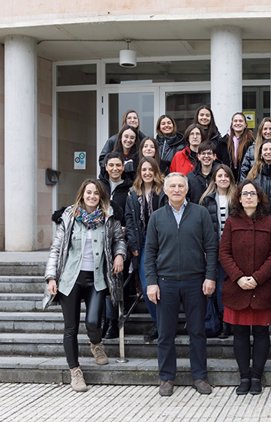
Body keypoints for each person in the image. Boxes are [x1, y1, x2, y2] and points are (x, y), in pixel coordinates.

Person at [44, 179, 126, 392]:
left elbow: (119, 239)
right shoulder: (69, 217)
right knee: (70, 327)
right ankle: (75, 372)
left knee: (92, 321)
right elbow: (56, 248)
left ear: (101, 196)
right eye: (88, 192)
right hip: (70, 280)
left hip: (96, 279)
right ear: (82, 194)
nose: (92, 196)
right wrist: (52, 277)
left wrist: (119, 254)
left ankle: (96, 344)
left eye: (96, 193)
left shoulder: (108, 217)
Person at [144, 172, 217, 397]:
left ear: (186, 189)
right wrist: (151, 282)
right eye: (172, 186)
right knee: (165, 333)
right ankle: (166, 377)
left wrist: (210, 276)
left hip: (195, 281)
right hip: (166, 283)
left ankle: (200, 376)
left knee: (197, 331)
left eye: (180, 186)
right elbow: (150, 252)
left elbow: (212, 248)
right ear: (165, 190)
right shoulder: (156, 217)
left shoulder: (201, 213)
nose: (176, 189)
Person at [219, 180, 271, 396]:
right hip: (237, 288)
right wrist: (238, 277)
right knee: (240, 334)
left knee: (262, 333)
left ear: (259, 197)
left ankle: (257, 376)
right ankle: (244, 376)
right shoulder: (232, 222)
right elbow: (224, 252)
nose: (248, 197)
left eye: (252, 194)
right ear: (239, 197)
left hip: (262, 288)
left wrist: (257, 278)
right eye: (245, 193)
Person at [124, 157, 166, 343]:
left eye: (151, 169)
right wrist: (133, 246)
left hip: (163, 244)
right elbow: (129, 221)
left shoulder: (163, 191)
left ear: (156, 171)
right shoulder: (133, 194)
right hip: (142, 245)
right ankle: (158, 323)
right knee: (147, 284)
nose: (147, 173)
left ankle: (165, 324)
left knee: (164, 286)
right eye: (144, 170)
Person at [199, 164, 236, 339]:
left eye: (226, 176)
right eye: (220, 176)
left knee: (227, 288)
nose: (223, 179)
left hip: (232, 251)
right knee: (216, 287)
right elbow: (203, 229)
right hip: (213, 251)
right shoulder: (206, 200)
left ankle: (229, 323)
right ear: (214, 179)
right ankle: (218, 323)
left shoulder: (236, 199)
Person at [97, 152, 131, 339]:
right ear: (106, 167)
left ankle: (113, 322)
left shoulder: (129, 188)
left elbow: (130, 212)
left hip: (119, 242)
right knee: (100, 284)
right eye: (112, 165)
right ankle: (102, 320)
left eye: (118, 165)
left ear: (123, 167)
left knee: (116, 284)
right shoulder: (98, 186)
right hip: (98, 242)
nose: (115, 168)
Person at [217, 112, 254, 181]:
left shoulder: (251, 142)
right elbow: (218, 161)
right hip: (227, 179)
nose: (238, 123)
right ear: (232, 124)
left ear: (245, 125)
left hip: (245, 179)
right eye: (235, 121)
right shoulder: (223, 142)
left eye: (240, 121)